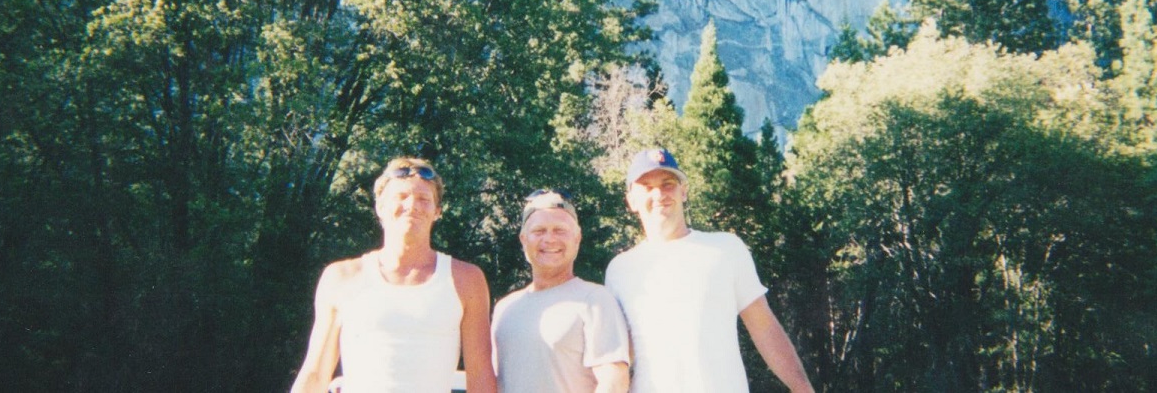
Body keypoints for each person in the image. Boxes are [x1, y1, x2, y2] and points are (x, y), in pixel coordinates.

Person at [605, 148, 816, 393]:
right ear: (631, 200)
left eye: (668, 184)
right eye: (647, 186)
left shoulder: (726, 248)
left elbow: (764, 327)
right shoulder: (619, 269)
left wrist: (803, 388)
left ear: (683, 191)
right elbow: (619, 356)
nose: (659, 194)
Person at [290, 157, 497, 393]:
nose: (413, 205)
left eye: (423, 199)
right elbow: (316, 372)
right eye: (401, 197)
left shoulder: (466, 279)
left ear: (437, 211)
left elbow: (480, 373)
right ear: (380, 207)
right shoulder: (341, 277)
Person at [491, 190, 631, 393]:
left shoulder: (594, 300)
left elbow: (614, 382)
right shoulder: (505, 308)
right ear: (523, 239)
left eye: (560, 230)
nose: (549, 239)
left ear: (577, 238)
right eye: (539, 231)